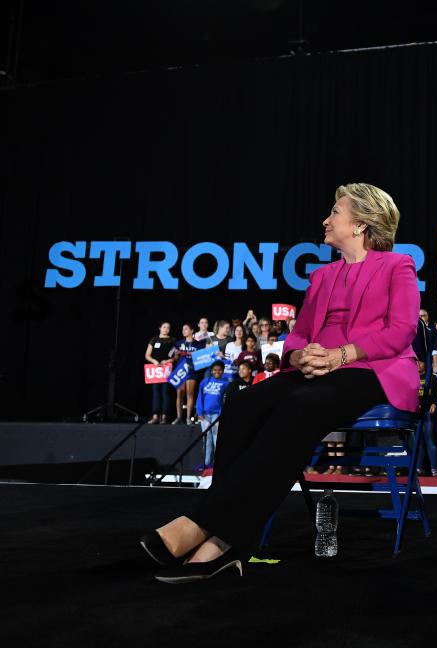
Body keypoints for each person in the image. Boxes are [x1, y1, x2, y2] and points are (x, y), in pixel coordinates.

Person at [140, 182, 419, 583]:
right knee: (243, 404)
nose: (326, 220)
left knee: (301, 406)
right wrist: (298, 356)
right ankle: (227, 540)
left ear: (360, 223)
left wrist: (343, 355)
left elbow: (402, 330)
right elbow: (301, 332)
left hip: (372, 370)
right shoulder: (323, 275)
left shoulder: (398, 265)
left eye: (335, 212)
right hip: (313, 370)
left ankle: (211, 530)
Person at [197, 361, 230, 468]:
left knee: (217, 439)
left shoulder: (225, 383)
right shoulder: (204, 382)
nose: (217, 372)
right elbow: (199, 398)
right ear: (211, 371)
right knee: (207, 440)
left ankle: (218, 464)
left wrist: (222, 414)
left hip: (217, 415)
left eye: (220, 370)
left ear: (223, 371)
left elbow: (226, 401)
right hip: (205, 415)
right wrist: (199, 412)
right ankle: (206, 464)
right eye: (215, 370)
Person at [173, 323, 205, 424]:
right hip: (180, 371)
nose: (183, 331)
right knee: (179, 394)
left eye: (186, 329)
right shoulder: (178, 343)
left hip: (192, 371)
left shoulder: (198, 344)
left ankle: (188, 418)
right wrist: (176, 355)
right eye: (183, 329)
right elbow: (173, 357)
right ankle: (178, 418)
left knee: (190, 394)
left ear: (192, 331)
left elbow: (202, 358)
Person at [145, 322, 176, 424]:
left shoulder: (172, 340)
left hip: (166, 369)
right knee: (155, 391)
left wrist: (167, 361)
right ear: (160, 328)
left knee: (165, 392)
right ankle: (155, 416)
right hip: (155, 369)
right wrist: (154, 361)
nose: (166, 329)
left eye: (168, 327)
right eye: (164, 327)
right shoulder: (154, 340)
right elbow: (147, 355)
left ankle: (164, 416)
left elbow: (175, 356)